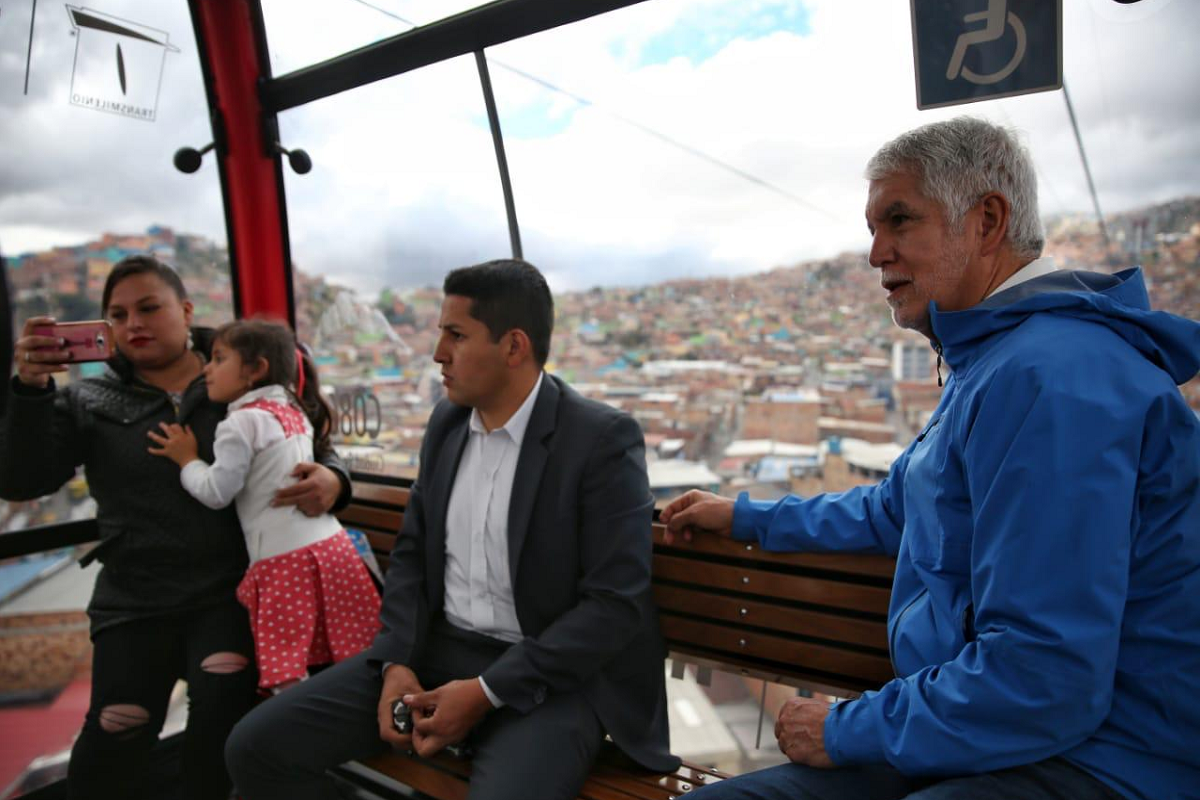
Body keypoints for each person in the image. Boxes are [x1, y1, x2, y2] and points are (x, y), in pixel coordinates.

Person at [661, 117, 1200, 800]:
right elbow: (898, 505)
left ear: (986, 221)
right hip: (990, 732)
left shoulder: (1053, 380)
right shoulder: (996, 359)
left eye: (899, 220)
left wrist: (843, 731)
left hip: (1103, 760)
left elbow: (1046, 674)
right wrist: (744, 515)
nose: (875, 253)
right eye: (872, 228)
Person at [225, 258, 678, 800]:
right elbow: (414, 557)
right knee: (256, 747)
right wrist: (395, 663)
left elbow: (614, 604)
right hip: (438, 652)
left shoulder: (599, 441)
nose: (438, 353)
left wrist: (486, 692)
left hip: (548, 676)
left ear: (513, 347)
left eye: (456, 335)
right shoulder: (447, 424)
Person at [0, 255, 352, 800]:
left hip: (227, 591)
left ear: (186, 311)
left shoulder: (243, 374)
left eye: (148, 308)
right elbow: (24, 480)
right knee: (118, 727)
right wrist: (29, 390)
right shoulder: (86, 398)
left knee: (220, 719)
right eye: (116, 315)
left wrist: (334, 479)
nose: (132, 324)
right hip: (135, 594)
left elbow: (315, 440)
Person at [147, 319, 381, 693]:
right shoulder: (294, 411)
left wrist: (186, 459)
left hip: (283, 561)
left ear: (255, 370)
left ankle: (299, 734)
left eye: (219, 359)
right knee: (356, 646)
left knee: (287, 669)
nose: (207, 369)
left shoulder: (239, 423)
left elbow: (215, 492)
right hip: (333, 547)